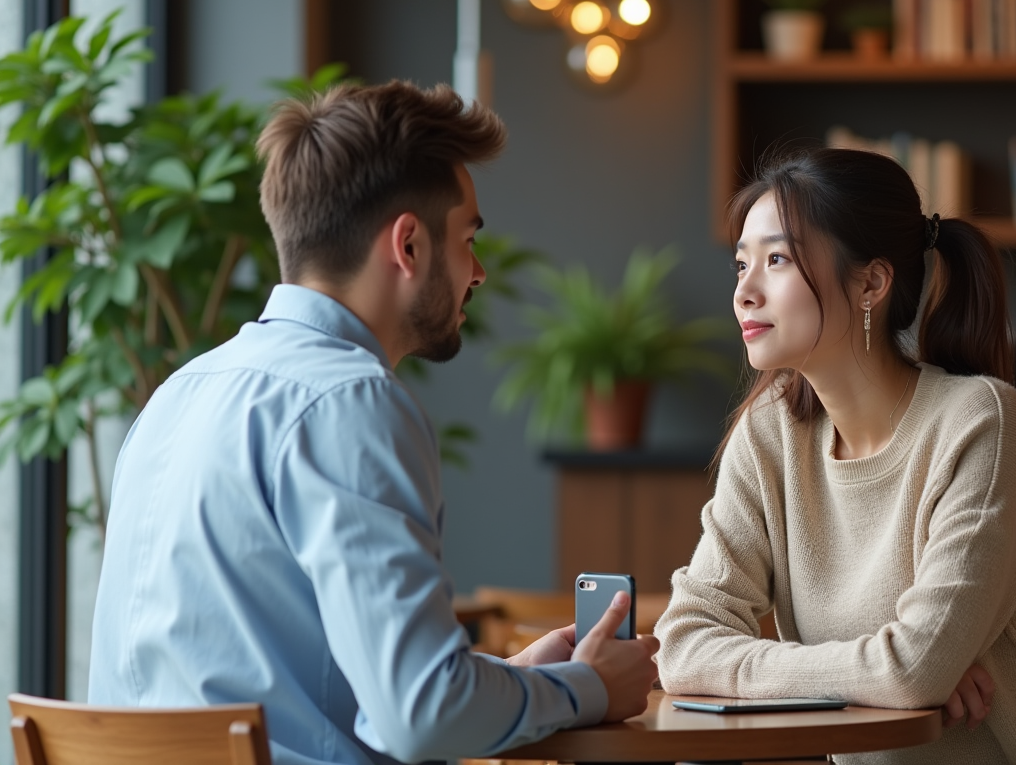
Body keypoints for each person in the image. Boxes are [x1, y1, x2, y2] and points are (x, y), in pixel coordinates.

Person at [89, 81, 659, 765]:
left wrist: (524, 685)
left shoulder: (177, 395)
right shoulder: (350, 402)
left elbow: (370, 701)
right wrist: (587, 688)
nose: (476, 271)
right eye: (467, 239)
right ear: (409, 245)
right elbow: (421, 721)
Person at [654, 148, 1016, 764]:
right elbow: (682, 645)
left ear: (872, 282)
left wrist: (900, 673)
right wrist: (873, 671)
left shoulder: (981, 424)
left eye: (776, 260)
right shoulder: (771, 435)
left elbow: (911, 669)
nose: (745, 292)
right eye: (740, 265)